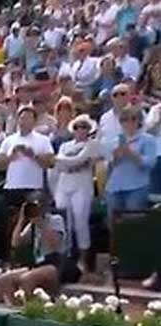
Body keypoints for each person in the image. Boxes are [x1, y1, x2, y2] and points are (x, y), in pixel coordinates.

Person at [0, 194, 68, 304]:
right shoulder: (32, 225)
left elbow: (54, 244)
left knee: (26, 279)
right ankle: (17, 307)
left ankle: (31, 309)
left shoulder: (55, 220)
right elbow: (15, 243)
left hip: (54, 264)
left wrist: (41, 223)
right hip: (37, 265)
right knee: (4, 279)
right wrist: (21, 219)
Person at [55, 115, 101, 275]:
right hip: (64, 185)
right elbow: (59, 164)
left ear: (89, 130)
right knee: (64, 223)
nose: (80, 130)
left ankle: (83, 261)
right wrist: (71, 163)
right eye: (77, 127)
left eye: (84, 127)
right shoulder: (65, 145)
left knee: (80, 223)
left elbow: (79, 160)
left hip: (82, 186)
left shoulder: (92, 144)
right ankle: (65, 258)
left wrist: (68, 162)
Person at [104, 104, 156, 218]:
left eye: (133, 118)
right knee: (114, 223)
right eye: (124, 119)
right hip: (115, 187)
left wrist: (130, 153)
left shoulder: (148, 139)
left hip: (137, 187)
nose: (129, 122)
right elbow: (112, 165)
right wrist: (116, 156)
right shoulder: (115, 140)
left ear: (139, 121)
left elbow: (150, 163)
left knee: (133, 222)